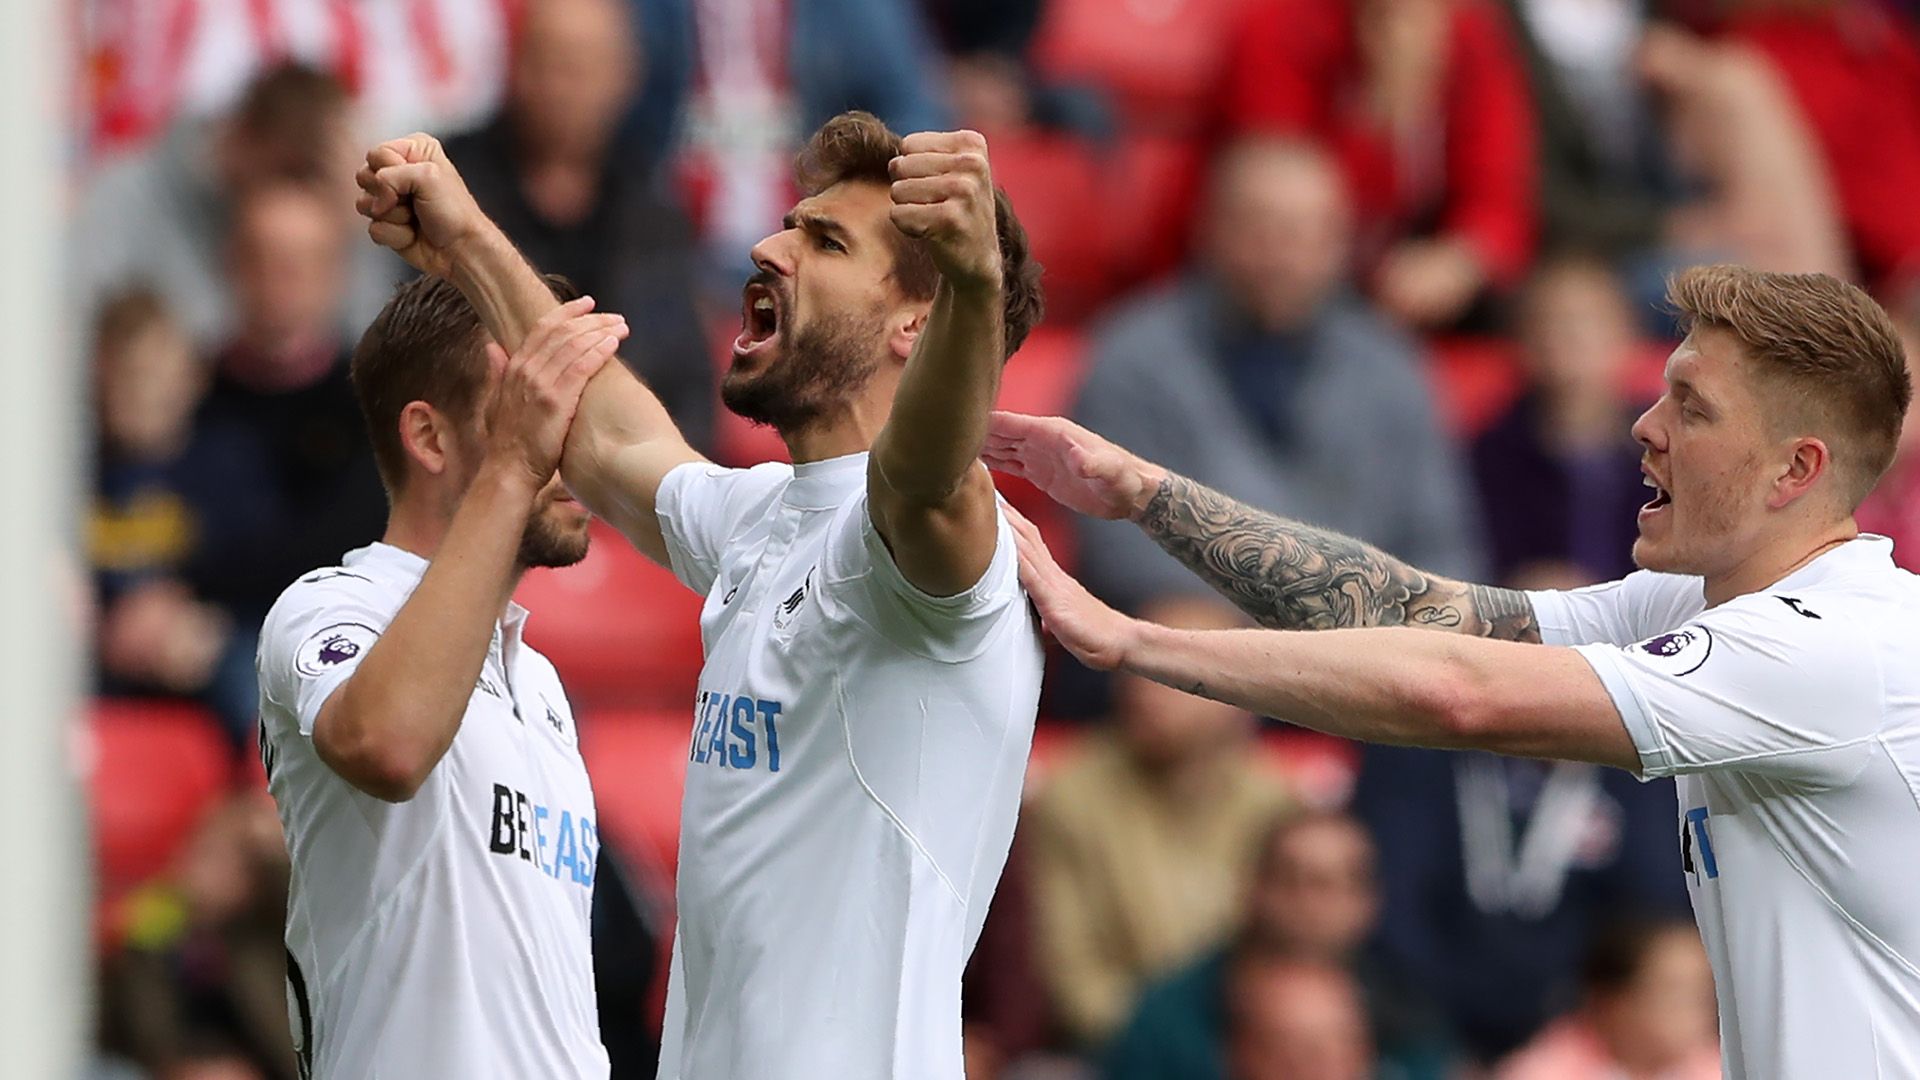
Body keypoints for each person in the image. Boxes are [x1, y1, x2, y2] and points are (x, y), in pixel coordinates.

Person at [988, 263, 1919, 1076]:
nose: (1646, 425)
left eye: (1694, 408)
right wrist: (1148, 497)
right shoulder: (1696, 603)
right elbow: (1420, 616)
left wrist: (1132, 641)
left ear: (1794, 471)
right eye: (1664, 391)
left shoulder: (1830, 649)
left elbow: (1460, 694)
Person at [352, 108, 1046, 1079]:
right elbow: (610, 439)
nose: (771, 244)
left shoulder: (936, 554)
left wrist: (976, 283)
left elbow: (928, 468)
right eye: (793, 222)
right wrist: (464, 240)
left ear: (914, 325)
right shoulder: (768, 519)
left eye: (825, 239)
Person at [255, 283, 627, 1077]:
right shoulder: (327, 608)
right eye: (533, 408)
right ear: (428, 435)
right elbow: (388, 744)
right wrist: (512, 468)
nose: (568, 447)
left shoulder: (545, 684)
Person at [1072, 136, 1481, 612]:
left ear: (1342, 244)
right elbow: (1124, 556)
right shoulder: (1134, 358)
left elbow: (1442, 546)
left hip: (1365, 651)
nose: (1282, 256)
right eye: (1259, 229)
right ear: (1210, 229)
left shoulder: (1390, 366)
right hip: (1185, 642)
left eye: (1305, 234)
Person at [444, 0, 715, 452]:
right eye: (550, 62)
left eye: (584, 68)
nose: (564, 88)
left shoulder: (654, 209)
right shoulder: (455, 194)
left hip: (630, 480)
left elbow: (688, 385)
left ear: (626, 77)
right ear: (514, 65)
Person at [1028, 594, 1292, 1047]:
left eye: (1167, 672)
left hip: (1261, 1049)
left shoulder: (1276, 805)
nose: (1139, 690)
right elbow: (1074, 981)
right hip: (1124, 1053)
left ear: (1241, 691)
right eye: (1136, 669)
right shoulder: (1071, 798)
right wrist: (1175, 1047)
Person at [71, 63, 402, 347]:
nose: (287, 203)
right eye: (286, 173)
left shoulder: (347, 227)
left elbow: (371, 360)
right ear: (244, 144)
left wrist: (360, 227)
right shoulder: (131, 196)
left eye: (307, 183)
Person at [1107, 811, 1455, 1080]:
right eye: (1292, 879)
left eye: (1333, 883)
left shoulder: (1408, 1017)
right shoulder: (1166, 1019)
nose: (1312, 903)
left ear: (1370, 902)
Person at [1496, 919, 1721, 1080]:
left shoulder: (1726, 1069)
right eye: (1676, 995)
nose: (1699, 1013)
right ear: (1613, 1002)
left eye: (1704, 995)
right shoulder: (1540, 1073)